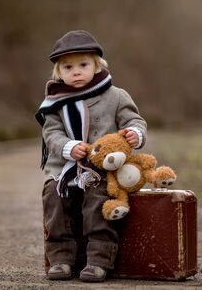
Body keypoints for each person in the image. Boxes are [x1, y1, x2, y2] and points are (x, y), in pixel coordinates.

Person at [35, 30, 147, 282]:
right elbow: (51, 134)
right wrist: (68, 146)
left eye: (83, 65)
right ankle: (61, 258)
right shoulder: (54, 102)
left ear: (97, 65)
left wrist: (134, 134)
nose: (76, 71)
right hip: (64, 169)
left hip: (103, 169)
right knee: (53, 196)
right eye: (68, 67)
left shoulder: (116, 95)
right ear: (58, 72)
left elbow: (134, 120)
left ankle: (98, 260)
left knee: (98, 200)